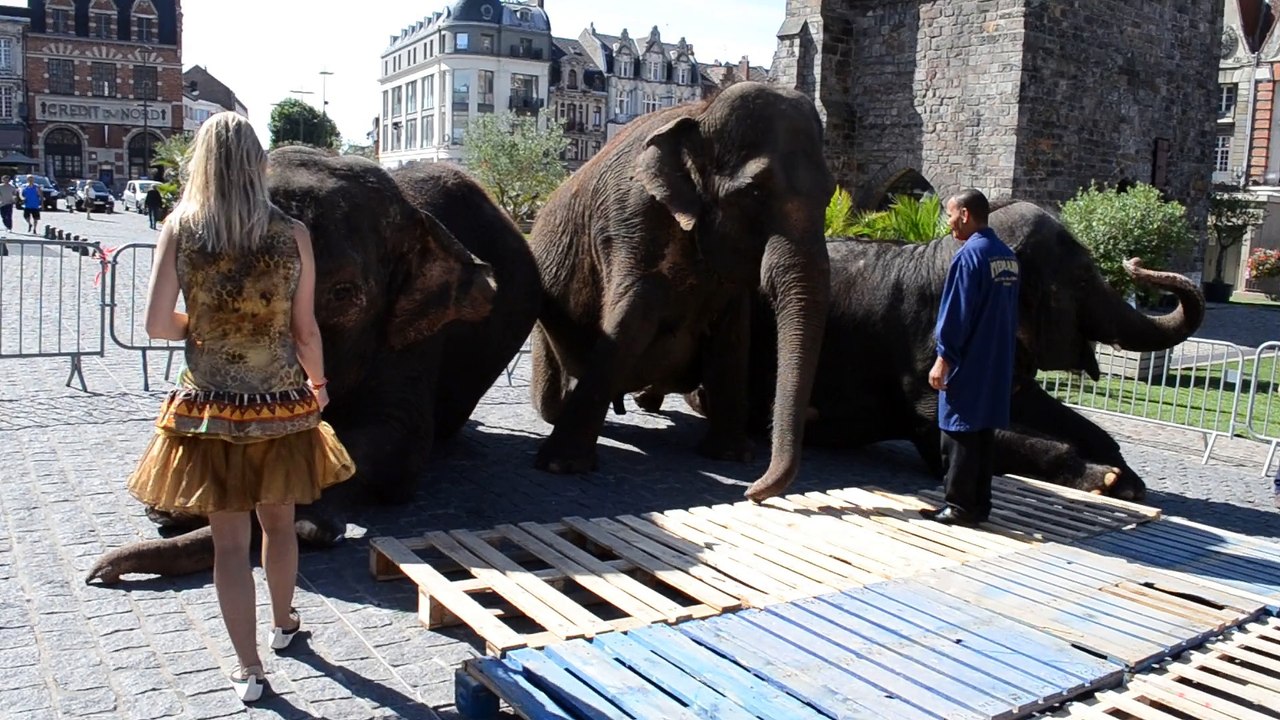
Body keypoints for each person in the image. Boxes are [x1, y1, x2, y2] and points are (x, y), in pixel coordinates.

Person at [127, 112, 355, 703]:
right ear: (258, 163)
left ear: (201, 164)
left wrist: (207, 324)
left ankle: (250, 669)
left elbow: (156, 323)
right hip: (280, 405)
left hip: (208, 411)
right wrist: (319, 385)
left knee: (228, 543)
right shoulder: (292, 234)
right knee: (279, 524)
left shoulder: (180, 228)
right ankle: (285, 624)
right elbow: (304, 331)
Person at [921, 189, 1020, 528]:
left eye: (949, 215)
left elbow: (956, 314)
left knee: (958, 433)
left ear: (964, 214)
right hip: (996, 360)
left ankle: (959, 506)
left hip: (969, 362)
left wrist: (943, 359)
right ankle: (980, 505)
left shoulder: (969, 256)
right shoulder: (1006, 256)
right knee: (982, 436)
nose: (948, 224)